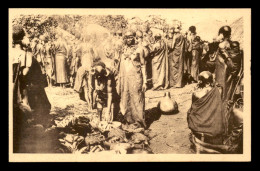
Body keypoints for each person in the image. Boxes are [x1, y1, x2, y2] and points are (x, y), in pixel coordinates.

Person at [187, 71, 227, 148]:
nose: (198, 82)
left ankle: (198, 136)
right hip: (215, 127)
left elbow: (193, 109)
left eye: (200, 81)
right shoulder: (216, 91)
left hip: (198, 124)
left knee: (189, 112)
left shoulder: (196, 93)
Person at [117, 31, 147, 128]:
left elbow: (143, 65)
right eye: (127, 38)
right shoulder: (123, 49)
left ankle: (139, 121)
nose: (129, 39)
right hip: (125, 79)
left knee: (137, 98)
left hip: (136, 78)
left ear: (134, 37)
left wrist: (145, 81)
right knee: (126, 97)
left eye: (131, 37)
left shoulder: (139, 49)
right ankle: (128, 119)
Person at [214, 26, 242, 102]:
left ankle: (221, 100)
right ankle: (227, 98)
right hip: (227, 67)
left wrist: (231, 65)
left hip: (222, 67)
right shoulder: (230, 43)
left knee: (221, 84)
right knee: (227, 84)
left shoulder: (222, 45)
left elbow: (227, 57)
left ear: (222, 34)